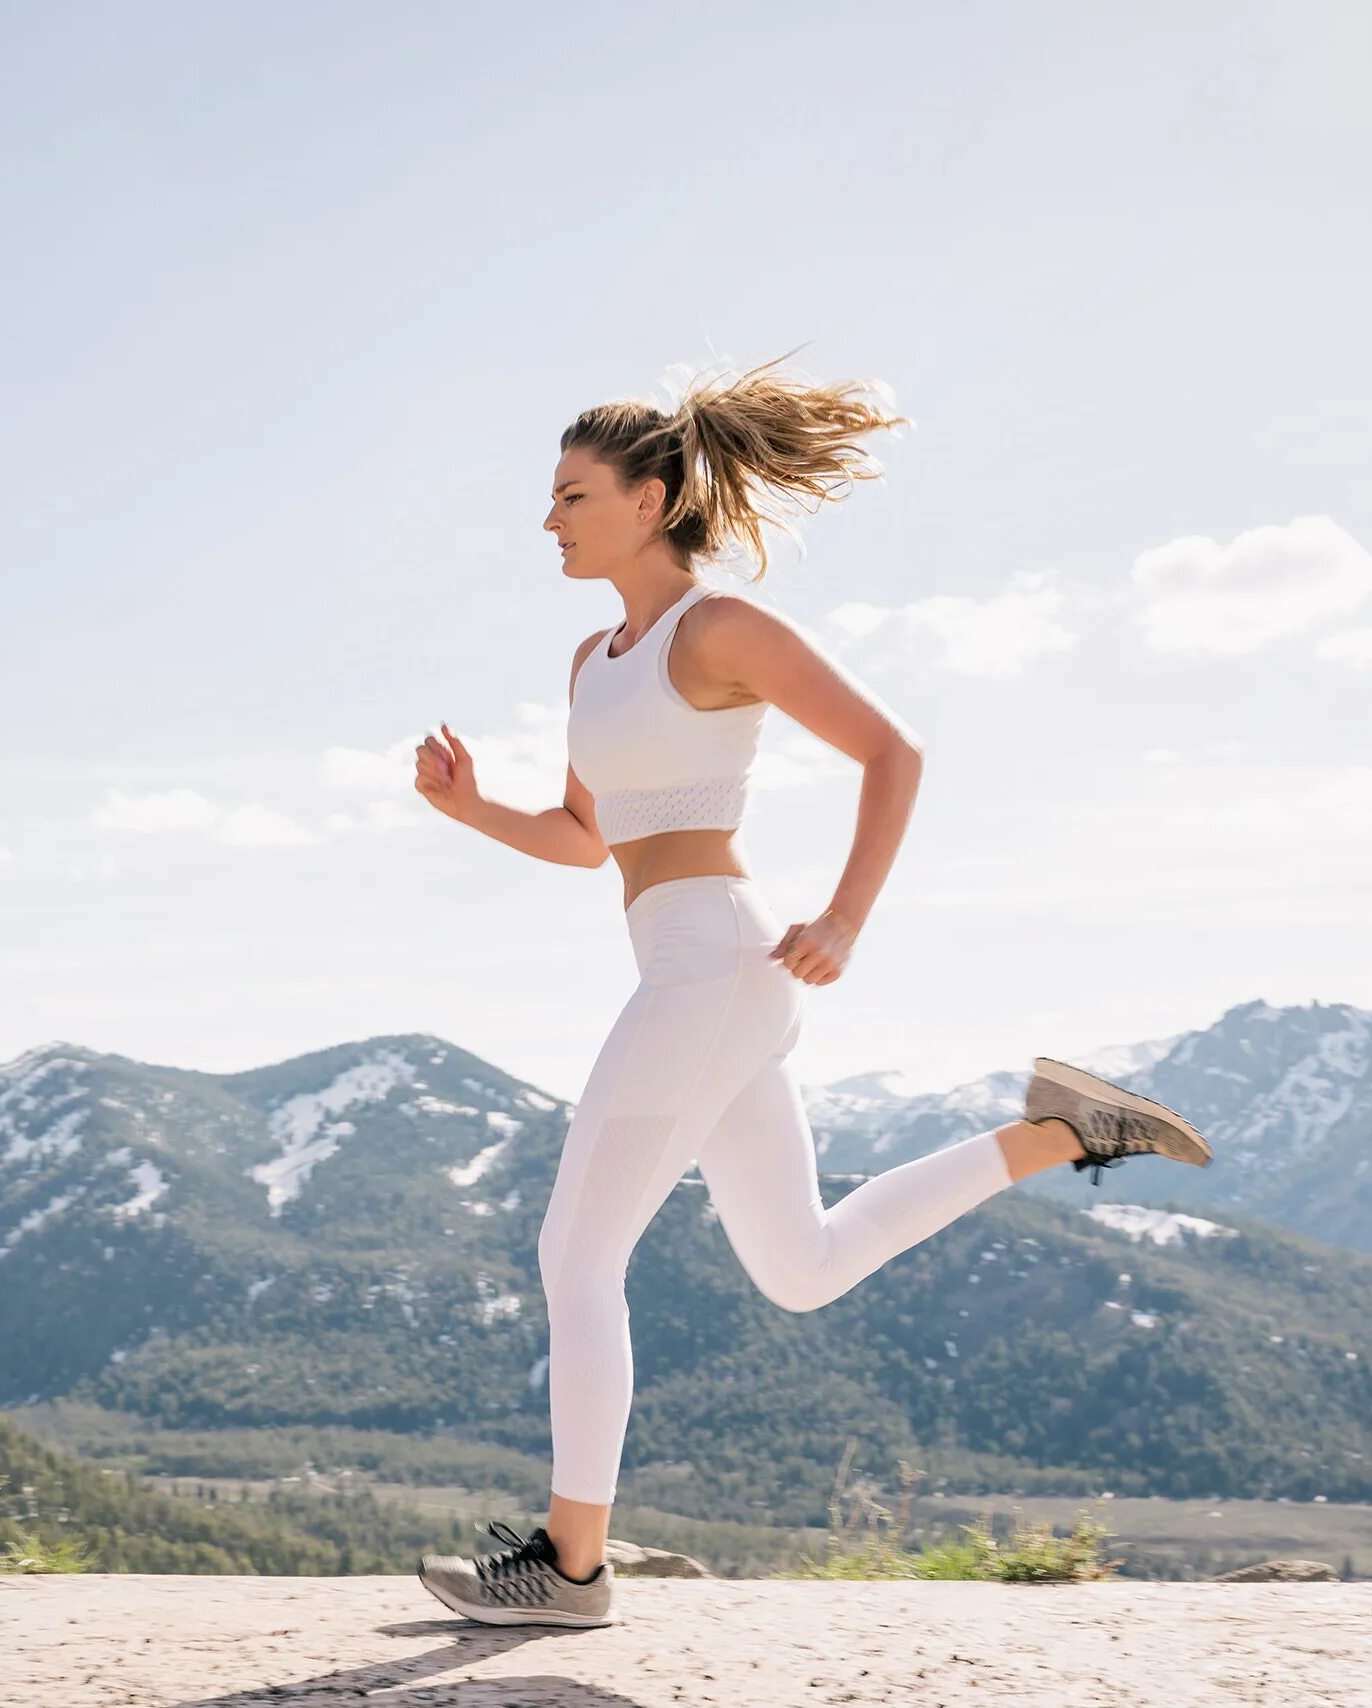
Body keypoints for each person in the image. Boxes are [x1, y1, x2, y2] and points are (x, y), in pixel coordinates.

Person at [407, 352, 1212, 1627]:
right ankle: (1060, 1126)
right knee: (801, 1263)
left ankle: (570, 1567)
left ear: (652, 498)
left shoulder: (716, 628)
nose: (548, 520)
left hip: (714, 966)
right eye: (550, 498)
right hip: (694, 967)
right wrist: (469, 811)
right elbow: (584, 835)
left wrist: (844, 915)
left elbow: (892, 749)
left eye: (571, 495)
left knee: (575, 1249)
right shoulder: (590, 659)